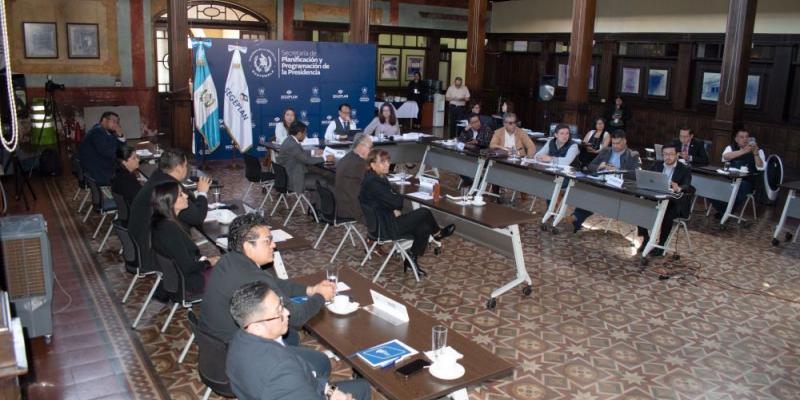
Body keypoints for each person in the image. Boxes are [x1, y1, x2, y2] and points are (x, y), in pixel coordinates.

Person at [199, 214, 334, 377]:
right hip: (236, 358)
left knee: (290, 335)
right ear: (248, 247)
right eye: (267, 241)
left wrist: (310, 290)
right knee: (321, 362)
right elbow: (296, 316)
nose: (274, 245)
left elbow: (275, 284)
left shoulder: (229, 260)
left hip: (213, 347)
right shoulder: (252, 277)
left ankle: (289, 368)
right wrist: (321, 297)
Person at [226, 281, 371, 400]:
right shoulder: (281, 370)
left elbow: (309, 375)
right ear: (257, 327)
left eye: (282, 305)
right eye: (279, 312)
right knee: (363, 387)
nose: (287, 313)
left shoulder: (239, 340)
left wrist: (331, 391)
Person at [360, 149, 455, 275]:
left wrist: (393, 202)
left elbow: (388, 199)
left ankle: (411, 258)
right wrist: (396, 201)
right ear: (372, 165)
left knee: (424, 227)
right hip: (386, 227)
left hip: (383, 221)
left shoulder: (375, 178)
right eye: (382, 162)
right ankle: (438, 233)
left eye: (388, 161)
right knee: (424, 212)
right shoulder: (373, 182)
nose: (387, 164)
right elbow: (395, 201)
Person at [128, 148, 211, 272]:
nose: (187, 168)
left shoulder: (158, 176)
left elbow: (189, 204)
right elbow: (196, 218)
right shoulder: (168, 188)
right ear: (178, 168)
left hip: (139, 243)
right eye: (185, 165)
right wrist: (202, 193)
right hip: (150, 252)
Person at [150, 181, 218, 295]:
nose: (186, 195)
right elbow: (187, 267)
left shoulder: (160, 221)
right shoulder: (169, 229)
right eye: (181, 194)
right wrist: (209, 262)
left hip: (177, 279)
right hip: (190, 282)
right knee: (233, 272)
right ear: (170, 202)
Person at [571, 130, 641, 232]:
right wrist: (600, 166)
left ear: (625, 141)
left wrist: (617, 170)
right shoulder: (606, 151)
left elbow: (636, 174)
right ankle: (576, 219)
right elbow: (591, 166)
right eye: (613, 143)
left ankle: (576, 218)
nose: (615, 146)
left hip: (618, 187)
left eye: (618, 143)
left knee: (595, 196)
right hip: (601, 182)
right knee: (589, 192)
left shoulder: (633, 155)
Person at [636, 144, 693, 256]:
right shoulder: (657, 165)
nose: (668, 157)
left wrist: (679, 187)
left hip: (674, 202)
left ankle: (661, 245)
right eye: (665, 154)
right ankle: (646, 239)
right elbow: (647, 178)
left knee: (668, 213)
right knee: (640, 206)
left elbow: (687, 185)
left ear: (677, 155)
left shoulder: (684, 169)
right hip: (657, 198)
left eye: (671, 154)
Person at [708, 129, 765, 218]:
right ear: (736, 139)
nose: (745, 139)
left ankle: (725, 212)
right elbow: (725, 157)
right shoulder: (731, 147)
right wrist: (743, 151)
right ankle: (724, 211)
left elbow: (761, 167)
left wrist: (756, 154)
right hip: (729, 178)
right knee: (711, 186)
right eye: (742, 137)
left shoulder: (758, 150)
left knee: (740, 188)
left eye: (747, 137)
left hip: (747, 180)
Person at [276, 122, 331, 208]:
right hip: (293, 180)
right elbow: (307, 160)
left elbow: (298, 153)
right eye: (304, 133)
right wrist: (325, 158)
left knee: (317, 174)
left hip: (288, 175)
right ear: (299, 134)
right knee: (322, 181)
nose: (305, 136)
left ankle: (313, 207)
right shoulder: (293, 144)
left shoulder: (289, 140)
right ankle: (321, 210)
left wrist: (313, 152)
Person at [78, 111, 126, 185]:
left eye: (117, 122)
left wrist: (120, 135)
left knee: (127, 171)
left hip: (102, 165)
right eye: (114, 121)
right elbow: (106, 151)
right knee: (126, 177)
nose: (116, 125)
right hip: (97, 171)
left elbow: (119, 146)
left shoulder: (107, 132)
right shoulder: (97, 132)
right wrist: (125, 156)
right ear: (104, 120)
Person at [335, 133, 373, 222]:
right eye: (370, 148)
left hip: (342, 204)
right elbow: (371, 184)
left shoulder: (348, 157)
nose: (371, 151)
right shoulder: (359, 164)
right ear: (360, 146)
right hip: (352, 209)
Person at [110, 145, 143, 221]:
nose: (138, 160)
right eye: (134, 158)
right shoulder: (127, 180)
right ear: (124, 162)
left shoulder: (119, 174)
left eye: (137, 157)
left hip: (127, 215)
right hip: (137, 218)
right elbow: (141, 200)